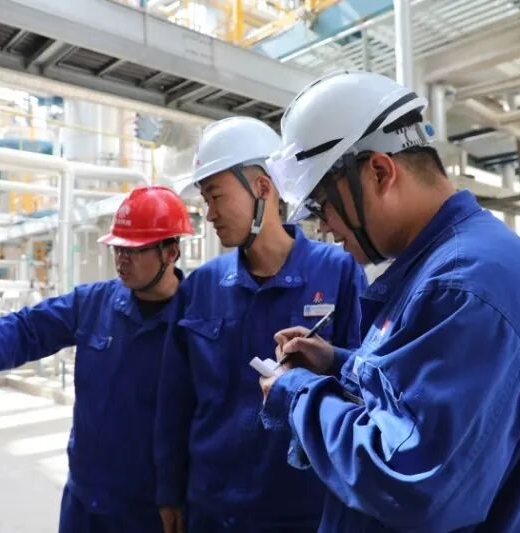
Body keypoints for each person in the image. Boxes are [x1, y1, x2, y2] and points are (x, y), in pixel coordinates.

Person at [258, 69, 520, 532]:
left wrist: (296, 393)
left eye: (323, 203)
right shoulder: (449, 265)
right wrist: (339, 365)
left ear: (380, 172)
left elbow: (411, 482)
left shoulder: (466, 284)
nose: (323, 226)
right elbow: (416, 401)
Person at [0, 186, 194, 533]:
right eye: (117, 248)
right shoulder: (94, 303)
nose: (121, 259)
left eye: (134, 250)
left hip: (153, 509)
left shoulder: (197, 319)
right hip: (85, 498)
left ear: (171, 252)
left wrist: (182, 494)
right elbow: (26, 329)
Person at [154, 116, 368, 533]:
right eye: (205, 199)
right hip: (212, 506)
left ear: (263, 188)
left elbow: (362, 386)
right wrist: (169, 490)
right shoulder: (201, 286)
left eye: (216, 196)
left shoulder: (338, 272)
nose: (209, 213)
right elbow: (174, 399)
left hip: (302, 509)